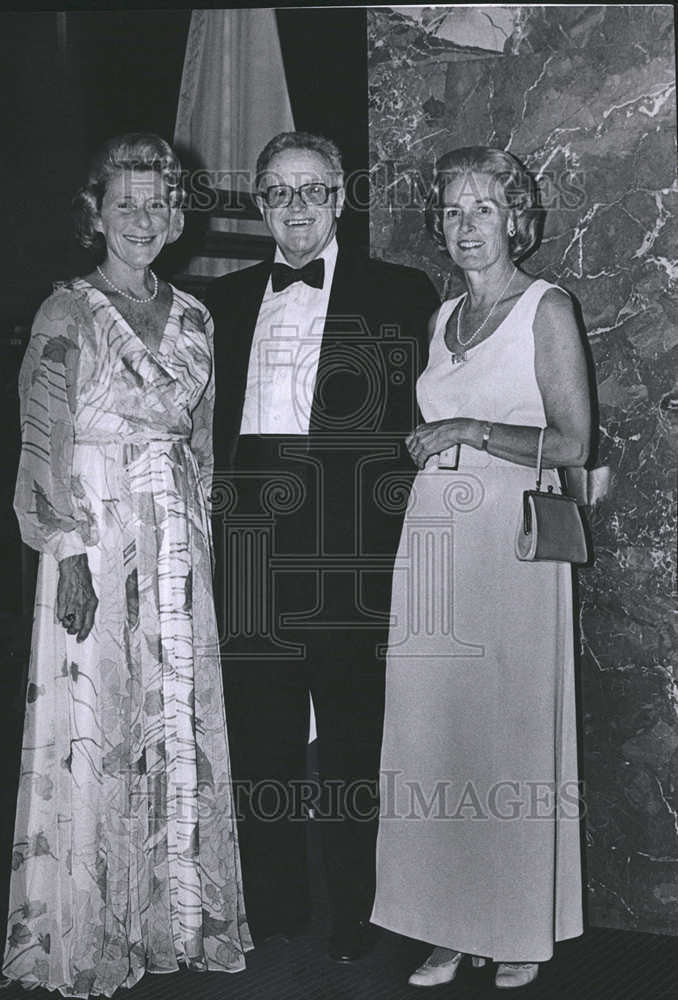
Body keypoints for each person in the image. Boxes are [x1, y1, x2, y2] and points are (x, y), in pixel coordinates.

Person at [4, 133, 251, 997]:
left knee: (176, 720)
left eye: (159, 203)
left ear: (177, 214)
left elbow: (206, 448)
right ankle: (88, 929)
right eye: (126, 203)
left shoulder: (196, 315)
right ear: (95, 213)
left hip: (177, 536)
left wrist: (203, 549)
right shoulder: (66, 311)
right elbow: (42, 443)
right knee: (97, 719)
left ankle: (171, 918)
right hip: (97, 535)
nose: (144, 218)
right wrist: (65, 554)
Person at [205, 131, 439, 962]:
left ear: (341, 198)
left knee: (352, 737)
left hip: (349, 545)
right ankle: (271, 913)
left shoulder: (402, 293)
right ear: (261, 203)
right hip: (249, 541)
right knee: (257, 731)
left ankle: (355, 920)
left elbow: (429, 415)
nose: (296, 207)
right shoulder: (222, 303)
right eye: (278, 191)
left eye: (312, 190)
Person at [371, 146, 591, 989]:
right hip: (435, 539)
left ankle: (515, 928)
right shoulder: (442, 317)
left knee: (508, 734)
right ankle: (446, 924)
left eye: (484, 208)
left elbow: (576, 443)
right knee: (433, 736)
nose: (467, 226)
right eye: (453, 211)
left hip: (514, 538)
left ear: (516, 219)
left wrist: (466, 431)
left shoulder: (548, 308)